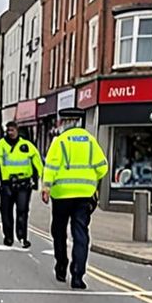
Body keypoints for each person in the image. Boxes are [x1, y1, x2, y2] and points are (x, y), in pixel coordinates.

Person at [42, 108, 108, 289]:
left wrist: (46, 187)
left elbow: (51, 166)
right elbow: (103, 168)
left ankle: (61, 266)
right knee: (80, 234)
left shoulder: (60, 141)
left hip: (62, 194)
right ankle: (78, 275)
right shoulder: (90, 142)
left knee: (59, 231)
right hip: (84, 195)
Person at [0, 121, 43, 248]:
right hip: (7, 184)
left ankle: (22, 237)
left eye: (12, 130)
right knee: (6, 212)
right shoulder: (2, 145)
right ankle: (8, 236)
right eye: (8, 130)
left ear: (17, 130)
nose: (10, 133)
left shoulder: (26, 145)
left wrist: (43, 177)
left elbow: (37, 160)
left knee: (22, 211)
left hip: (23, 184)